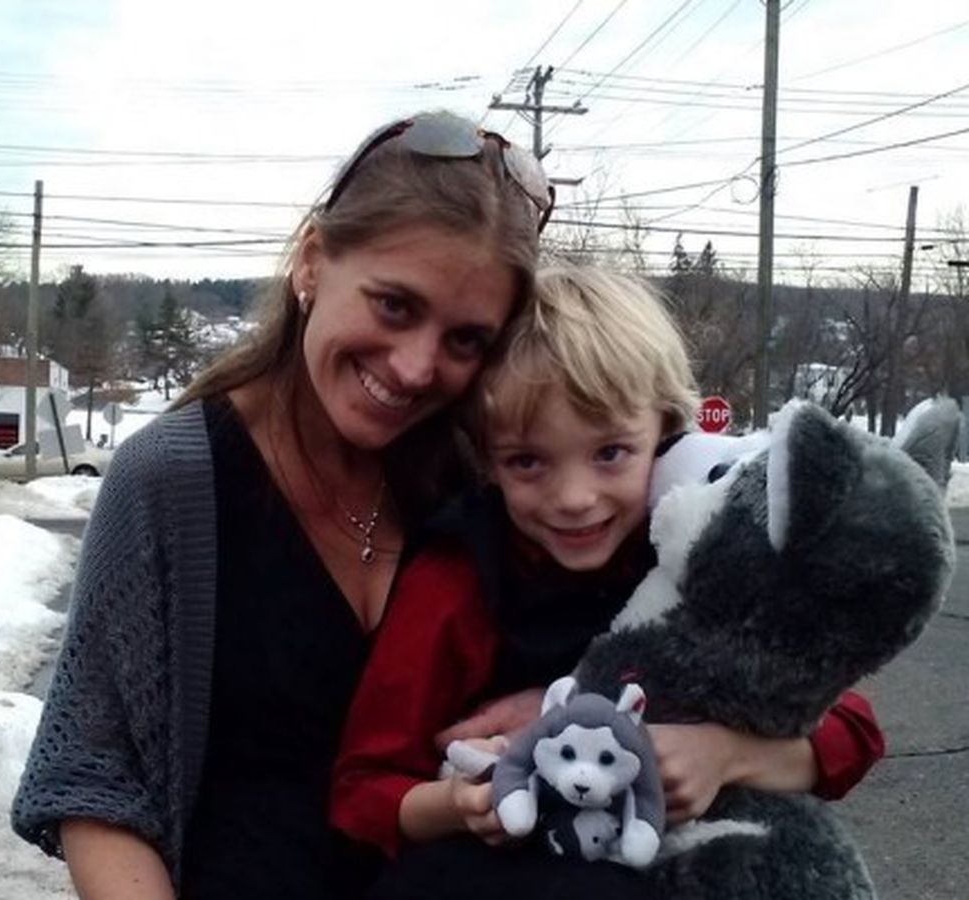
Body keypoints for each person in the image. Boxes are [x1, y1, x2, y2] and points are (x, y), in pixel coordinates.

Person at [11, 110, 554, 899]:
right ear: (312, 261)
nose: (415, 368)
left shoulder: (490, 492)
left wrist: (579, 706)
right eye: (395, 305)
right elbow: (97, 781)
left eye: (464, 340)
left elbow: (662, 649)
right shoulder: (173, 480)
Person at [329, 264, 884, 899]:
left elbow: (851, 727)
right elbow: (361, 789)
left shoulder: (695, 557)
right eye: (527, 461)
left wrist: (722, 753)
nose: (574, 498)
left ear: (665, 432)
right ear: (485, 459)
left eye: (610, 453)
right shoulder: (458, 582)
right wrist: (460, 804)